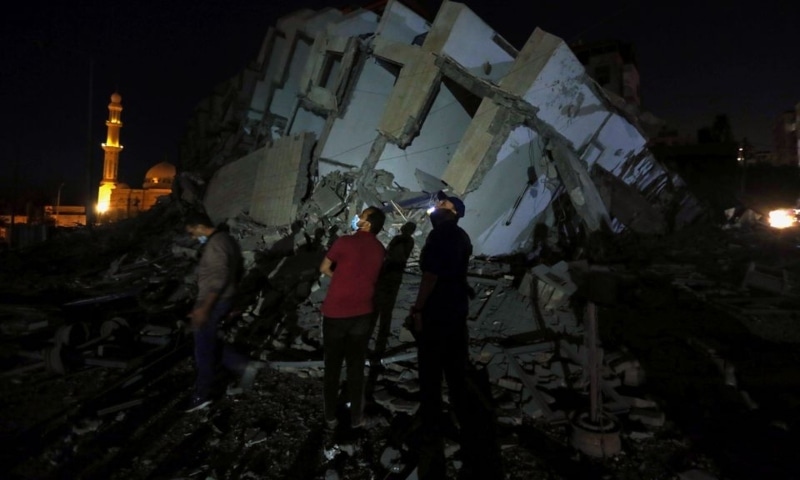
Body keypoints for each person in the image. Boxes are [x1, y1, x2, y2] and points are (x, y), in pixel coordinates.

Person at [411, 193, 503, 479]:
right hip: (456, 309)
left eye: (442, 205)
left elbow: (431, 276)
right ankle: (469, 435)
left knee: (430, 371)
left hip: (437, 309)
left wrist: (418, 309)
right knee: (456, 370)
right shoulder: (462, 237)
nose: (436, 207)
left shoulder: (441, 235)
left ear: (454, 212)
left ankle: (432, 437)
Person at [184, 211, 263, 412]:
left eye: (193, 232)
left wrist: (204, 308)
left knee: (203, 349)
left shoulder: (216, 245)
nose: (193, 238)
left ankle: (202, 394)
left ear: (201, 226)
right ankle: (242, 365)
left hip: (214, 301)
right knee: (211, 341)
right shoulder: (227, 240)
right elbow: (237, 270)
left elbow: (219, 277)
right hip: (224, 299)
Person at [319, 206, 386, 429]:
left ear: (368, 223)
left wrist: (341, 278)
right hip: (363, 313)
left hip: (336, 312)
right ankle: (357, 418)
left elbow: (324, 267)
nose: (358, 217)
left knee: (332, 367)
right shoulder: (380, 249)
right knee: (356, 368)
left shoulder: (344, 242)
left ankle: (330, 416)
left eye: (363, 215)